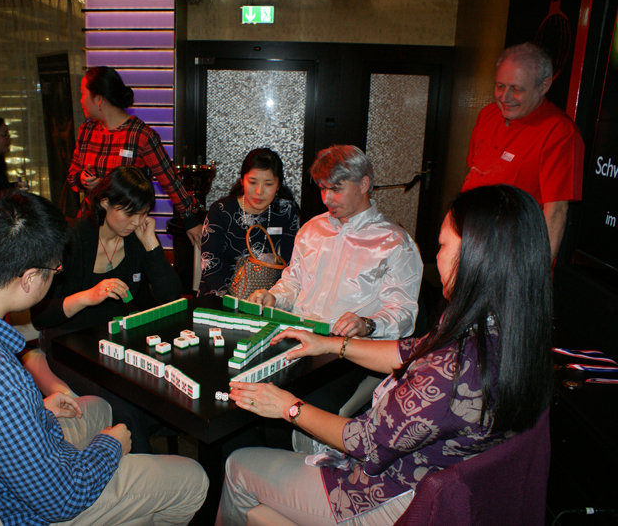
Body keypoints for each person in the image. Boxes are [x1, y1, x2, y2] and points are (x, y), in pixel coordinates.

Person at [217, 185, 554, 525]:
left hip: (389, 493)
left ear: (476, 257)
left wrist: (288, 407)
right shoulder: (509, 331)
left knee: (237, 465)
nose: (436, 256)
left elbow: (364, 441)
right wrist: (332, 344)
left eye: (442, 246)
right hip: (437, 477)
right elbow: (412, 349)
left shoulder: (452, 369)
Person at [0, 189, 208, 526]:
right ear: (30, 278)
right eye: (55, 269)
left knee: (98, 407)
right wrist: (111, 446)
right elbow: (63, 499)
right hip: (15, 511)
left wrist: (33, 411)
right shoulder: (0, 382)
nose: (56, 274)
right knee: (192, 478)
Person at [249, 145, 423, 419]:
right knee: (248, 387)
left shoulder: (394, 243)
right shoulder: (312, 229)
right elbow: (293, 282)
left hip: (347, 353)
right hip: (299, 336)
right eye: (322, 188)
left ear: (363, 184)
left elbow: (404, 314)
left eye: (336, 189)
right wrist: (274, 297)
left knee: (300, 403)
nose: (327, 198)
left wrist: (367, 324)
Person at [31, 165, 182, 453]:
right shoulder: (72, 239)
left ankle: (144, 459)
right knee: (125, 403)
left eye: (143, 214)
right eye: (129, 213)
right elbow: (40, 315)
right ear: (104, 203)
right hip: (69, 344)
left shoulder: (135, 239)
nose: (136, 222)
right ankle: (139, 467)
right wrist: (88, 296)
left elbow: (169, 297)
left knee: (166, 390)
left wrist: (151, 244)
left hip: (116, 340)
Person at [464, 42, 584, 259]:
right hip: (470, 242)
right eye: (500, 86)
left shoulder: (559, 132)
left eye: (517, 89)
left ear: (544, 86)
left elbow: (555, 213)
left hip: (511, 253)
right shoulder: (487, 115)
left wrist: (539, 271)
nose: (505, 97)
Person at [67, 66, 202, 246]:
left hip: (127, 232)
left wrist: (190, 218)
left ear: (99, 100)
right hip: (89, 228)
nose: (81, 100)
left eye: (83, 94)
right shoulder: (86, 131)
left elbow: (170, 180)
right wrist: (82, 180)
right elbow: (72, 177)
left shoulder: (142, 135)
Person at [199, 148, 300, 297]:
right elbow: (210, 266)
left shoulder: (286, 211)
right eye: (252, 182)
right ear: (242, 181)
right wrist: (231, 302)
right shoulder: (221, 211)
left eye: (268, 184)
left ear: (278, 185)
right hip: (221, 295)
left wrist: (273, 298)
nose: (259, 191)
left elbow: (291, 264)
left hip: (268, 297)